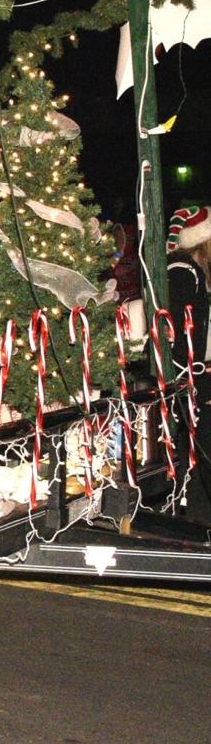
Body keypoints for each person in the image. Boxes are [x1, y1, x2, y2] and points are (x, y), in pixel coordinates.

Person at [166, 206, 211, 522]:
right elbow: (178, 336)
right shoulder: (183, 272)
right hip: (193, 381)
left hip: (201, 376)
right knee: (197, 455)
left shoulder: (198, 273)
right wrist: (197, 379)